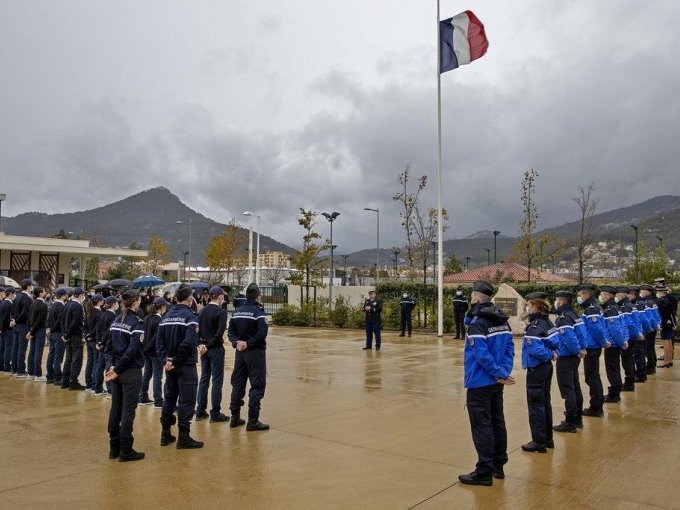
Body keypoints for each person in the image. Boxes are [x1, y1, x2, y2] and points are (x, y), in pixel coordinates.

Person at [458, 281, 514, 487]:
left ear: (475, 298)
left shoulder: (478, 324)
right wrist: (503, 373)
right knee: (497, 421)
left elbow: (481, 355)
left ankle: (484, 471)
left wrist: (498, 373)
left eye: (471, 296)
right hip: (497, 381)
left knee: (482, 425)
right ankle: (498, 465)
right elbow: (509, 349)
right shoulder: (502, 321)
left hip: (480, 382)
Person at [156, 283, 203, 449]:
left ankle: (165, 434)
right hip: (185, 365)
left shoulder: (166, 316)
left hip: (170, 365)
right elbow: (189, 341)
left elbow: (159, 341)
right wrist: (174, 360)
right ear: (190, 298)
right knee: (187, 400)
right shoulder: (190, 317)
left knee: (169, 399)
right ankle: (184, 437)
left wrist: (166, 360)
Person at [105, 289, 145, 462]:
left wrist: (111, 367)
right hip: (129, 371)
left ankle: (114, 448)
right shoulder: (136, 322)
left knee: (116, 409)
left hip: (116, 371)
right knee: (128, 410)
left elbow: (108, 348)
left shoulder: (115, 320)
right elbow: (132, 351)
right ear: (136, 301)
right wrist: (118, 369)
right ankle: (126, 449)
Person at [228, 282, 269, 431]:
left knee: (238, 384)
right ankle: (253, 421)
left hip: (240, 353)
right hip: (255, 353)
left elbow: (230, 332)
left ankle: (235, 417)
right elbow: (262, 334)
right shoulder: (259, 312)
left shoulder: (237, 311)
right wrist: (248, 343)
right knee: (257, 385)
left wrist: (236, 343)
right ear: (258, 296)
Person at [520, 292, 557, 453]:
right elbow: (556, 342)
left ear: (535, 306)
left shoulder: (535, 327)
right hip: (546, 367)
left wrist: (549, 354)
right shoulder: (547, 322)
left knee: (536, 405)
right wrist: (553, 354)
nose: (527, 307)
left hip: (537, 368)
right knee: (544, 403)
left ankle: (538, 441)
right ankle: (548, 438)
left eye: (528, 305)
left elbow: (535, 348)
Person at [553, 291, 586, 433]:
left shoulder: (564, 318)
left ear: (561, 301)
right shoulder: (574, 315)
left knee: (568, 390)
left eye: (557, 300)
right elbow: (582, 334)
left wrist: (577, 350)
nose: (556, 302)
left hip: (566, 357)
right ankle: (578, 418)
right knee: (575, 387)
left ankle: (570, 421)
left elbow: (569, 338)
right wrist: (581, 349)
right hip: (574, 356)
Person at [196, 286, 229, 423]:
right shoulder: (221, 312)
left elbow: (197, 330)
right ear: (220, 296)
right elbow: (219, 333)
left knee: (204, 379)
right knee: (216, 380)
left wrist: (201, 345)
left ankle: (200, 411)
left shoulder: (202, 311)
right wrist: (208, 345)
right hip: (215, 348)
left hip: (204, 348)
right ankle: (215, 413)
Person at [576, 284, 608, 418]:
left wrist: (603, 342)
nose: (578, 298)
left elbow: (597, 330)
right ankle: (596, 405)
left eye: (580, 295)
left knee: (592, 377)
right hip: (592, 346)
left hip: (592, 347)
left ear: (586, 295)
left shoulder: (591, 309)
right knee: (592, 376)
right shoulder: (591, 308)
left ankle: (596, 407)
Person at [139, 297, 168, 408]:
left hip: (146, 351)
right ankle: (158, 400)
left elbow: (144, 335)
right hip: (155, 352)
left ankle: (143, 397)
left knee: (147, 374)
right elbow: (156, 338)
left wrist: (144, 348)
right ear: (162, 307)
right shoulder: (159, 320)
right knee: (157, 376)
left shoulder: (147, 318)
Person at [600, 287, 627, 403]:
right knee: (614, 368)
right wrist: (624, 340)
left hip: (612, 345)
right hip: (616, 343)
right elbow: (623, 326)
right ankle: (615, 391)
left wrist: (621, 342)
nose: (600, 297)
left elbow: (615, 329)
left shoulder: (610, 309)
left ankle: (614, 394)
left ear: (607, 296)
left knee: (612, 370)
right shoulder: (615, 307)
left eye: (602, 295)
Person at [614, 287, 640, 392]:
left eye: (617, 296)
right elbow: (637, 321)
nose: (616, 298)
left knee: (627, 360)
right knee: (629, 359)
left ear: (621, 296)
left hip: (628, 337)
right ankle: (630, 381)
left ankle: (629, 383)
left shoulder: (624, 307)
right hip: (632, 336)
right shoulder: (630, 305)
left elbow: (628, 323)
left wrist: (627, 337)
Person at [61, 287, 86, 390]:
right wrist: (67, 335)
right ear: (80, 295)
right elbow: (75, 323)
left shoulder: (67, 304)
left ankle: (65, 381)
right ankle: (73, 381)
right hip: (75, 335)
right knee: (76, 359)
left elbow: (62, 321)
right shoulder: (78, 306)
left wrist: (65, 334)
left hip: (68, 335)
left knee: (68, 358)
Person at [94, 296, 119, 397]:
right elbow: (109, 331)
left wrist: (98, 342)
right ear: (113, 304)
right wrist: (102, 343)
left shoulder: (103, 314)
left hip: (101, 344)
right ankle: (110, 390)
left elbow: (98, 330)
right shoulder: (113, 316)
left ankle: (97, 388)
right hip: (108, 344)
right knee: (108, 367)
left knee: (100, 366)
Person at [628, 286, 652, 382]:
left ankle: (641, 375)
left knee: (639, 354)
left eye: (629, 294)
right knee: (638, 354)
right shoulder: (638, 303)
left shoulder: (637, 305)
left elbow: (643, 319)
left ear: (633, 295)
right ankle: (640, 374)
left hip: (638, 333)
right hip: (639, 332)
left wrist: (642, 331)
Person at [11, 278, 33, 378]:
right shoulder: (27, 298)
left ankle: (14, 368)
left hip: (16, 325)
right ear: (28, 286)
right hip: (23, 325)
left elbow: (12, 311)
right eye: (31, 285)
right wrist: (17, 320)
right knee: (21, 348)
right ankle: (20, 370)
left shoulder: (17, 297)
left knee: (15, 347)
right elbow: (25, 313)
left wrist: (13, 320)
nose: (31, 287)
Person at [46, 288, 68, 385]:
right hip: (58, 333)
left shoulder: (53, 305)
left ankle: (49, 376)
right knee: (58, 357)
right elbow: (60, 321)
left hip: (52, 333)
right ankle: (58, 377)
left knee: (51, 355)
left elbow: (49, 319)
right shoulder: (62, 306)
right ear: (63, 296)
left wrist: (49, 328)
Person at [26, 286, 48, 381]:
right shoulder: (43, 305)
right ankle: (37, 374)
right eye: (44, 291)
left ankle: (30, 373)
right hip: (39, 330)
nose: (45, 292)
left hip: (32, 329)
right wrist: (32, 331)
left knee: (32, 351)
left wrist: (30, 331)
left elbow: (30, 319)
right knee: (38, 352)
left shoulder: (33, 304)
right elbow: (40, 321)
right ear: (40, 293)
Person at [639, 284, 661, 374]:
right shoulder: (653, 301)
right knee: (651, 346)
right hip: (653, 327)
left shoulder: (647, 302)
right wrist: (657, 325)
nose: (641, 293)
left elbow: (650, 317)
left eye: (642, 291)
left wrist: (650, 327)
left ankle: (651, 366)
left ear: (646, 292)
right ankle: (653, 364)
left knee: (648, 347)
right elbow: (657, 316)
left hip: (649, 328)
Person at [86, 294, 104, 391]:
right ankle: (95, 385)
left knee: (90, 361)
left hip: (89, 340)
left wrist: (87, 335)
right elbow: (97, 327)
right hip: (94, 340)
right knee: (96, 362)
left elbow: (86, 325)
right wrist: (90, 335)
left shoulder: (89, 311)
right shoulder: (99, 313)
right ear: (99, 301)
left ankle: (89, 384)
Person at [657, 284, 676, 368]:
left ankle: (666, 361)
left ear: (661, 292)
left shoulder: (662, 301)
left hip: (664, 323)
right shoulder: (666, 300)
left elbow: (663, 315)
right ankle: (670, 360)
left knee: (666, 343)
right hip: (669, 323)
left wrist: (661, 324)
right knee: (669, 342)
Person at [0, 287, 14, 373]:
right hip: (7, 329)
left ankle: (2, 365)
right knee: (8, 347)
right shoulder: (9, 304)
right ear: (11, 293)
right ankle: (7, 366)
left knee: (2, 348)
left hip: (2, 329)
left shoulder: (2, 303)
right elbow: (5, 317)